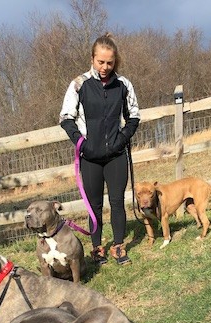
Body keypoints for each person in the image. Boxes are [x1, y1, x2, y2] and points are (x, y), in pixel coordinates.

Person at [59, 33, 140, 266]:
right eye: (100, 62)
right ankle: (97, 248)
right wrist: (80, 142)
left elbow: (134, 116)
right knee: (94, 205)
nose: (105, 67)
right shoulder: (79, 84)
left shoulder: (123, 85)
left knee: (117, 202)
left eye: (109, 63)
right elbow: (66, 117)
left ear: (115, 62)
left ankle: (118, 246)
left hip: (116, 155)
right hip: (90, 158)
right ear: (92, 59)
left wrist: (121, 139)